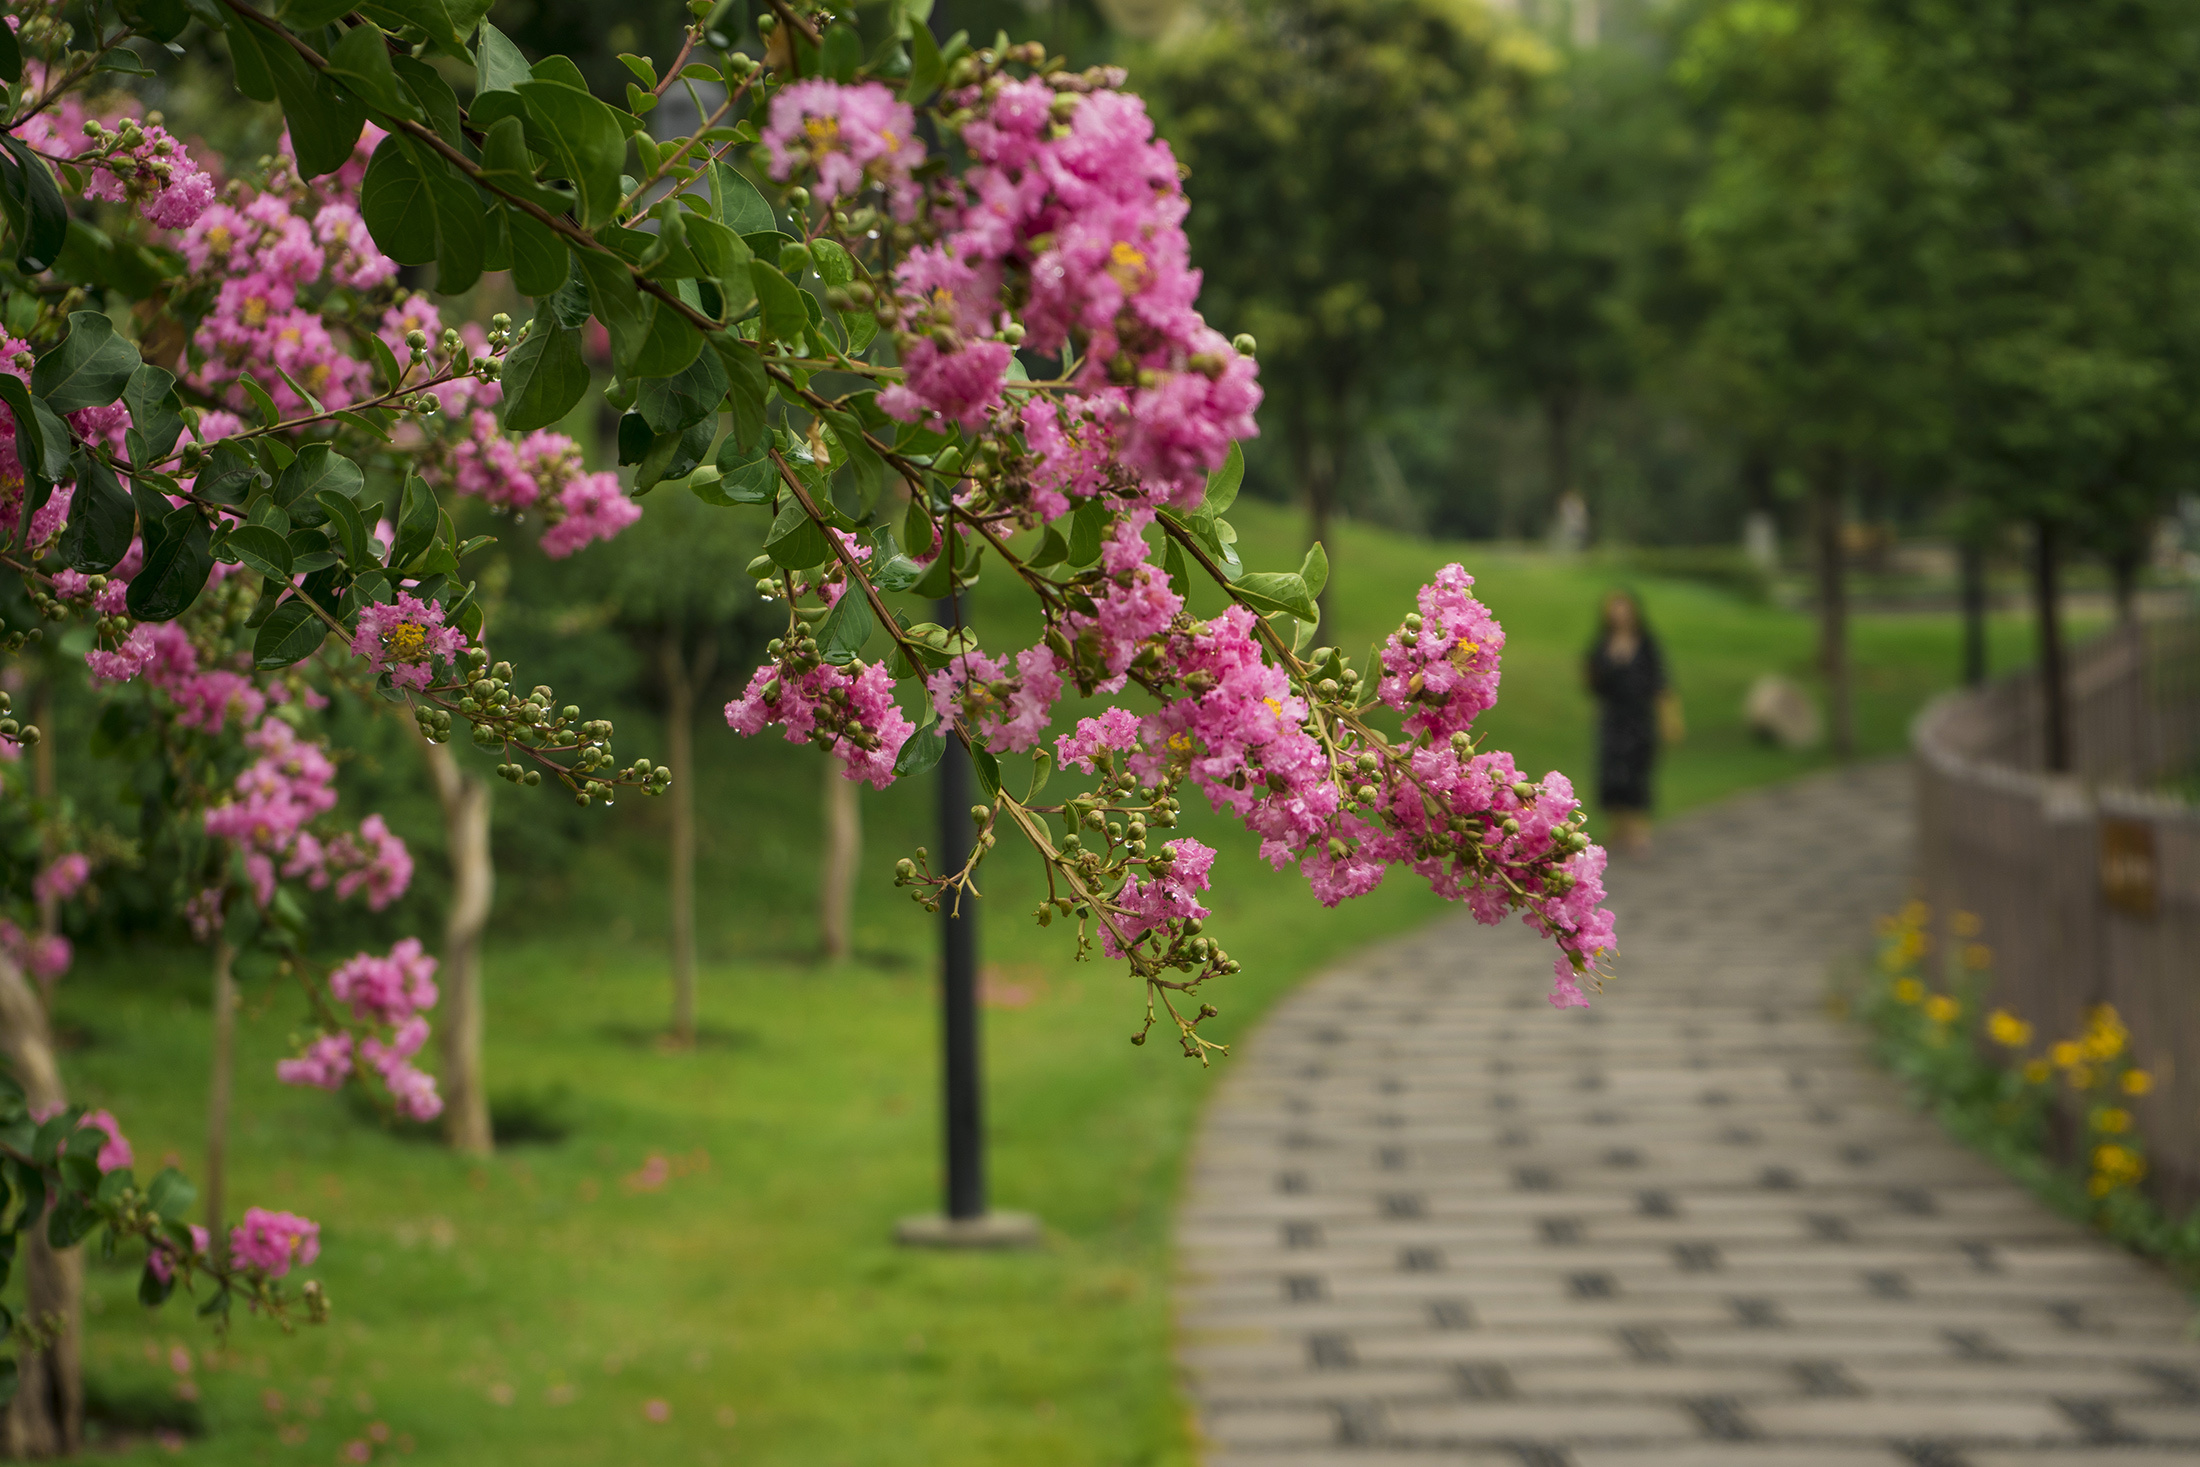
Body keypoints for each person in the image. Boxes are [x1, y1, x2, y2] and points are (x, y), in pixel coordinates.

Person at [1584, 589, 1675, 855]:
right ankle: (1617, 825)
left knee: (1637, 769)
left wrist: (1669, 719)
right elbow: (1594, 681)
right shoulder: (1602, 643)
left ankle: (1639, 828)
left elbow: (1661, 683)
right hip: (1613, 715)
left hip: (1639, 716)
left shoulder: (1647, 644)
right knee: (1610, 770)